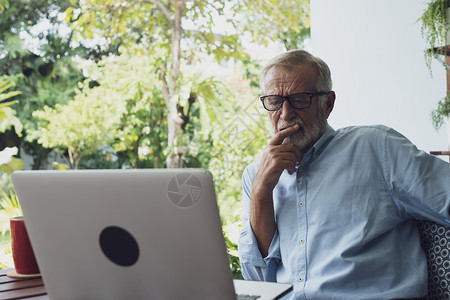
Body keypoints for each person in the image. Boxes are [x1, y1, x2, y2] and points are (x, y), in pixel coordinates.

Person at [238, 49, 450, 299]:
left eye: (300, 99)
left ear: (327, 104)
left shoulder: (378, 148)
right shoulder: (256, 174)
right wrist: (261, 193)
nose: (285, 114)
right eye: (274, 101)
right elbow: (260, 282)